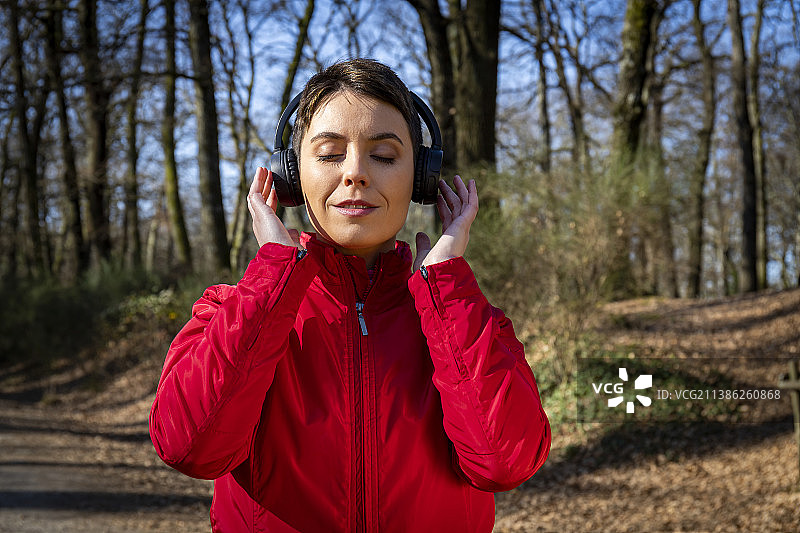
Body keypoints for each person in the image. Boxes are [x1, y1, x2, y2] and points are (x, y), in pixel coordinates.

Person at [149, 58, 550, 533]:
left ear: (420, 178)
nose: (356, 173)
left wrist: (447, 288)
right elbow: (190, 449)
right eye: (329, 153)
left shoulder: (465, 320)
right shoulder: (231, 312)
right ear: (292, 176)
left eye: (383, 155)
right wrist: (273, 276)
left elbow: (506, 464)